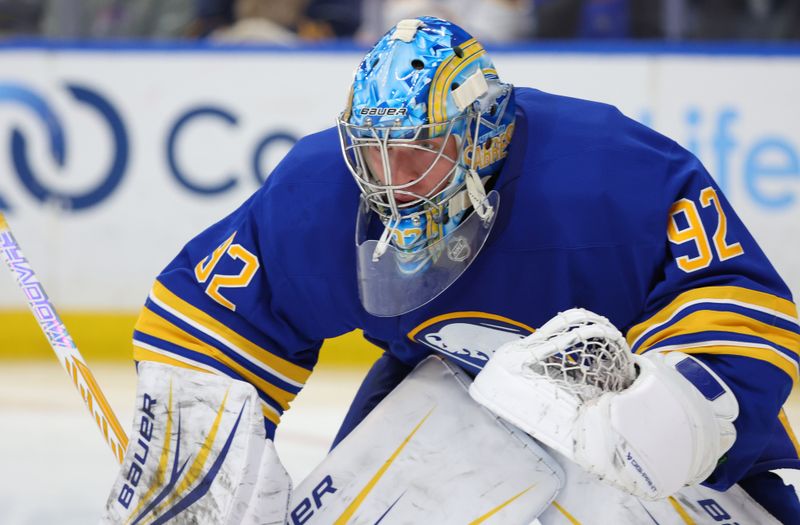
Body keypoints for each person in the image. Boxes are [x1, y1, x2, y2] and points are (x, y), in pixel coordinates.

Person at [105, 16, 800, 523]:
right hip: (447, 413)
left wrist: (675, 412)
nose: (391, 181)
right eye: (373, 153)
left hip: (630, 457)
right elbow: (212, 318)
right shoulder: (326, 190)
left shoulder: (615, 174)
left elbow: (737, 299)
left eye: (416, 152)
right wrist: (198, 468)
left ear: (484, 131)